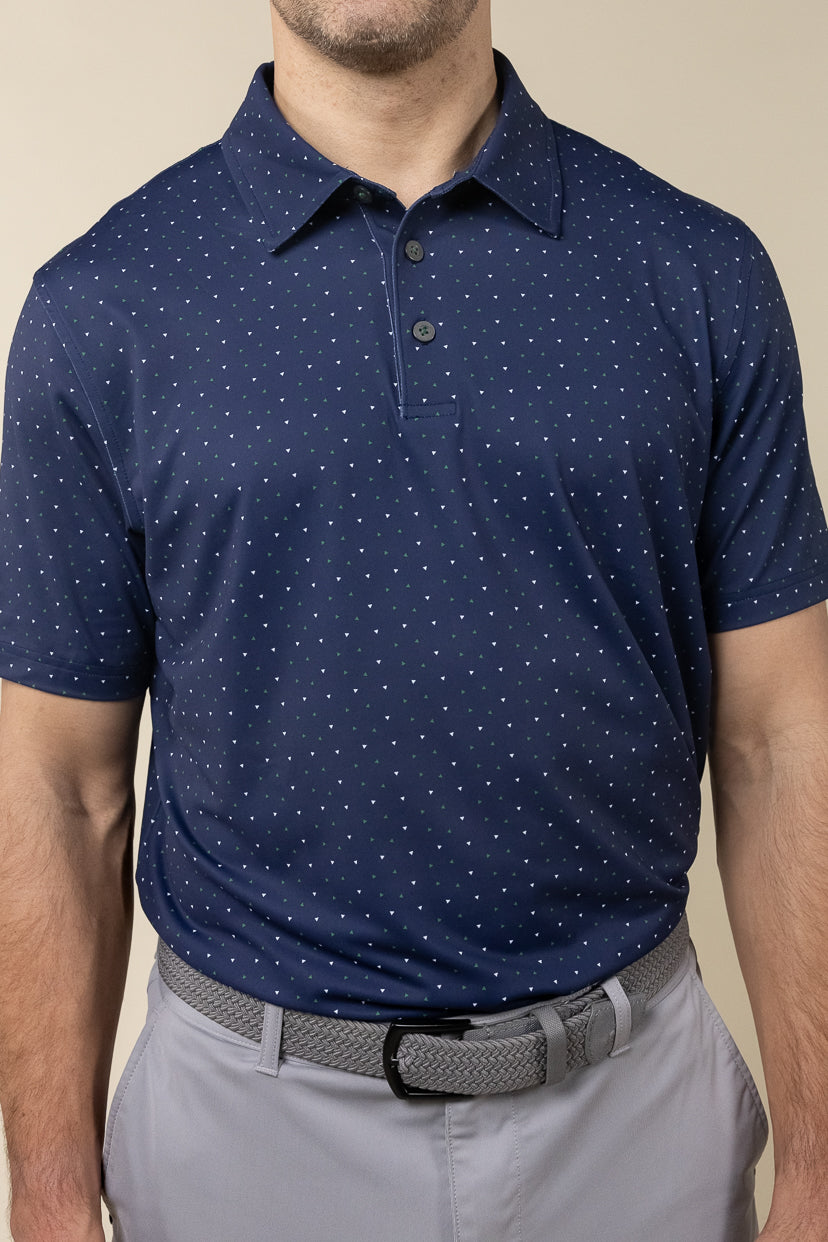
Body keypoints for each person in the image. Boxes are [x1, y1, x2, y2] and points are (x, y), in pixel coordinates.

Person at [1, 1, 827, 1239]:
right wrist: (52, 1195)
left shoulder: (697, 271)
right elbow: (56, 787)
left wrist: (820, 1162)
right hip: (242, 1143)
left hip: (634, 1123)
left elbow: (782, 743)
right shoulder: (102, 307)